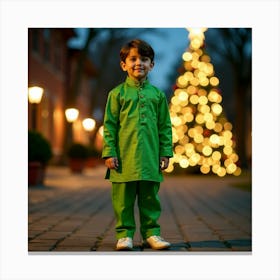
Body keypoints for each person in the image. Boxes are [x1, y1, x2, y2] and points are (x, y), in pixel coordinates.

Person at [102, 39, 173, 251]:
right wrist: (109, 152)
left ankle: (152, 234)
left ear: (152, 64)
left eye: (144, 59)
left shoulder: (158, 96)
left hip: (150, 158)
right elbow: (109, 126)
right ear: (123, 64)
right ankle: (124, 235)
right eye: (133, 59)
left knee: (150, 199)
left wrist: (165, 152)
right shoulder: (117, 94)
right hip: (123, 159)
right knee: (123, 200)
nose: (138, 63)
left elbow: (164, 126)